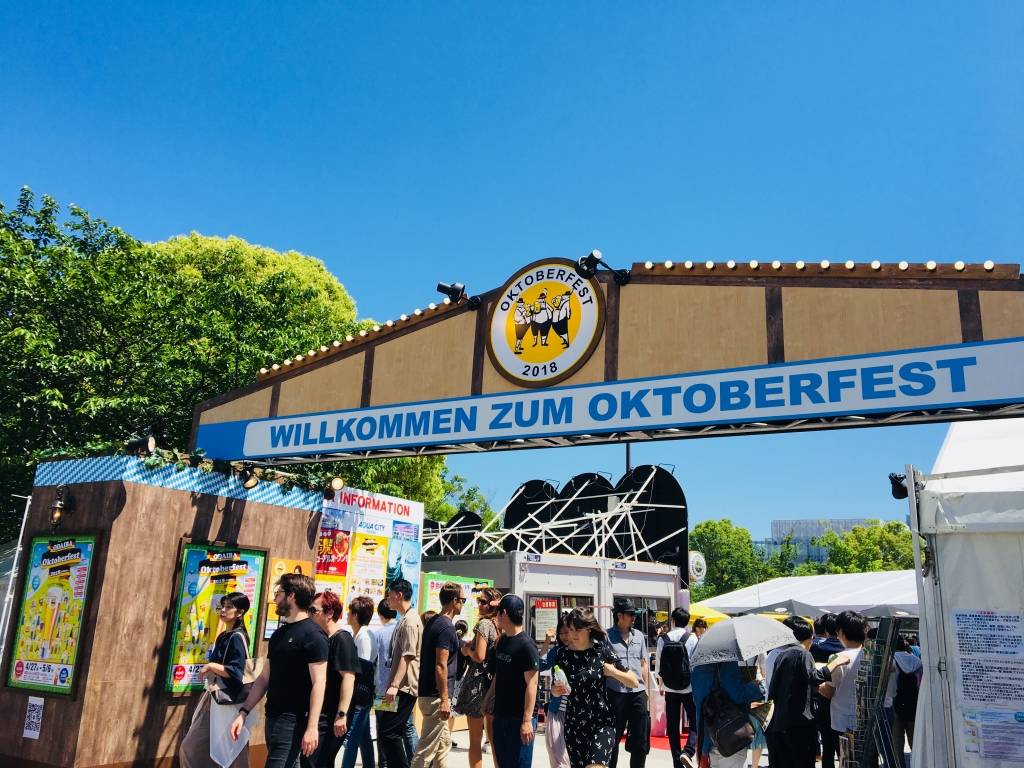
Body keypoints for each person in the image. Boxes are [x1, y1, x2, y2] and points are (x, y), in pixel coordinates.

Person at [230, 574, 329, 768]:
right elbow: (264, 678)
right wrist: (243, 712)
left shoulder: (313, 636)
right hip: (273, 715)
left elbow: (319, 682)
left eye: (278, 593)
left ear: (291, 595)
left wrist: (312, 727)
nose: (275, 598)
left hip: (294, 720)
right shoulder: (279, 634)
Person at [552, 606, 639, 768]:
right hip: (574, 724)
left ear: (589, 629)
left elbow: (633, 681)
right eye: (571, 629)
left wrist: (613, 672)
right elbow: (554, 688)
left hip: (601, 722)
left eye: (578, 630)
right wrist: (556, 691)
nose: (573, 634)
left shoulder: (602, 651)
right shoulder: (562, 654)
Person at [764, 616, 850, 768]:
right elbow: (814, 677)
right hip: (799, 725)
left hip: (779, 724)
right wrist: (835, 663)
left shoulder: (781, 655)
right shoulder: (803, 653)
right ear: (811, 638)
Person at [180, 592, 252, 768]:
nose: (223, 610)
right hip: (214, 698)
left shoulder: (237, 637)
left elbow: (236, 671)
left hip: (229, 702)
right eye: (222, 606)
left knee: (232, 749)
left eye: (229, 607)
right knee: (193, 746)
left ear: (240, 612)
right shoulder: (223, 636)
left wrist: (211, 666)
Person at [483, 595, 542, 768]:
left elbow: (532, 684)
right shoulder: (502, 641)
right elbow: (499, 674)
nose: (495, 616)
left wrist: (527, 721)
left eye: (497, 611)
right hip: (501, 714)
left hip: (519, 718)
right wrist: (487, 699)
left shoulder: (526, 645)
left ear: (505, 614)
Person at [304, 591, 360, 768]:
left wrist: (341, 714)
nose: (310, 614)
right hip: (321, 711)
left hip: (332, 715)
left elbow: (348, 678)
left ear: (329, 613)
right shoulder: (320, 638)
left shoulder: (342, 638)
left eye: (314, 610)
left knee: (315, 760)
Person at [411, 582, 465, 768]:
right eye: (462, 600)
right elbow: (441, 665)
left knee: (443, 745)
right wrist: (444, 700)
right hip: (436, 696)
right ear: (454, 601)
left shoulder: (434, 621)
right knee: (426, 750)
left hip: (428, 692)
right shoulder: (446, 627)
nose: (463, 604)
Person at [691, 651, 763, 768]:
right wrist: (754, 687)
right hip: (731, 733)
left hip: (709, 733)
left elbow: (696, 699)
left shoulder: (699, 665)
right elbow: (736, 694)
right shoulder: (728, 663)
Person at [380, 579, 423, 768]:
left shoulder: (410, 621)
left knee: (389, 731)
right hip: (394, 685)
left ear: (399, 595)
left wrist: (395, 685)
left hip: (404, 687)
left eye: (389, 595)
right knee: (386, 730)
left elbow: (408, 656)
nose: (387, 599)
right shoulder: (404, 619)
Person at [458, 587, 502, 768]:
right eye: (479, 601)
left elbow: (480, 656)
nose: (479, 605)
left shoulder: (483, 624)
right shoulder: (499, 625)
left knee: (475, 740)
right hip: (493, 685)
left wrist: (467, 651)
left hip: (477, 684)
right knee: (494, 740)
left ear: (492, 605)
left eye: (483, 602)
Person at [606, 598, 649, 768]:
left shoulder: (639, 636)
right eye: (630, 614)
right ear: (619, 615)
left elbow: (643, 664)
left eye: (634, 614)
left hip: (637, 692)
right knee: (613, 736)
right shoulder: (606, 637)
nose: (634, 617)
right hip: (615, 692)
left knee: (640, 736)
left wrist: (645, 690)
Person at [656, 606, 698, 768]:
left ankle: (676, 762)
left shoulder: (663, 639)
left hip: (669, 687)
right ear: (687, 622)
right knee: (694, 721)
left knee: (672, 725)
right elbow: (695, 664)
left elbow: (659, 664)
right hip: (688, 686)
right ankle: (688, 751)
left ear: (672, 621)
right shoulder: (692, 639)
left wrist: (661, 685)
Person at [341, 595, 379, 768]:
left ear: (355, 615)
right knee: (363, 735)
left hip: (361, 694)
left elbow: (362, 668)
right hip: (365, 693)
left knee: (351, 738)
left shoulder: (363, 636)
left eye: (350, 611)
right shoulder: (361, 634)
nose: (347, 614)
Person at [818, 611, 868, 741]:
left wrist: (818, 684)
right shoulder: (873, 656)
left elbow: (828, 692)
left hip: (844, 720)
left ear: (841, 632)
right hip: (870, 718)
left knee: (845, 753)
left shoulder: (837, 658)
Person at [810, 613, 844, 768]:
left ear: (825, 629)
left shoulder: (817, 647)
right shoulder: (845, 649)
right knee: (843, 747)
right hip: (843, 699)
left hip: (823, 697)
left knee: (827, 745)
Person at [538, 613, 571, 768]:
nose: (564, 636)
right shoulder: (557, 651)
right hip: (557, 709)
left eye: (567, 632)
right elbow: (540, 665)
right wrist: (547, 642)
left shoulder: (583, 651)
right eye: (561, 633)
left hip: (576, 712)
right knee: (558, 757)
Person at [891, 635, 922, 768]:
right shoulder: (916, 660)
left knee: (896, 743)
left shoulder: (890, 660)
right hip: (914, 705)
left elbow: (892, 684)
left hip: (895, 705)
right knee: (915, 741)